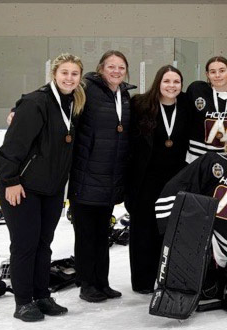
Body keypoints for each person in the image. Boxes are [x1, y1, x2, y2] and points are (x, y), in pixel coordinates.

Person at [0, 53, 85, 321]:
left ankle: (42, 295)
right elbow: (13, 146)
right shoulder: (36, 102)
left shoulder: (74, 103)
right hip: (22, 186)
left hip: (53, 188)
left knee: (44, 244)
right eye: (64, 73)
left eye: (74, 74)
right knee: (25, 244)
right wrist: (10, 180)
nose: (69, 78)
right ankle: (23, 301)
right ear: (54, 74)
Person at [155, 129, 227, 305]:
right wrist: (174, 220)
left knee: (210, 288)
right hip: (202, 233)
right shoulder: (211, 160)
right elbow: (183, 183)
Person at [68, 50, 136, 303]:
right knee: (86, 234)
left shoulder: (125, 95)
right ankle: (87, 284)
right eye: (111, 66)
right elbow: (53, 96)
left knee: (102, 233)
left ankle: (102, 282)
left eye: (121, 67)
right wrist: (17, 107)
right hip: (86, 176)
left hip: (109, 178)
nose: (116, 71)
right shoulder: (85, 87)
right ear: (101, 68)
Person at [126, 65, 191, 294]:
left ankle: (168, 277)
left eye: (176, 81)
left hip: (174, 179)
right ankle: (143, 282)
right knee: (143, 231)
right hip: (145, 179)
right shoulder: (140, 105)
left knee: (169, 230)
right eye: (167, 81)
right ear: (158, 83)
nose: (171, 86)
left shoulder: (187, 106)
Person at [184, 56, 227, 162]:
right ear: (207, 75)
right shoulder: (197, 90)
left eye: (222, 71)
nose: (217, 75)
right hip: (198, 157)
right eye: (212, 72)